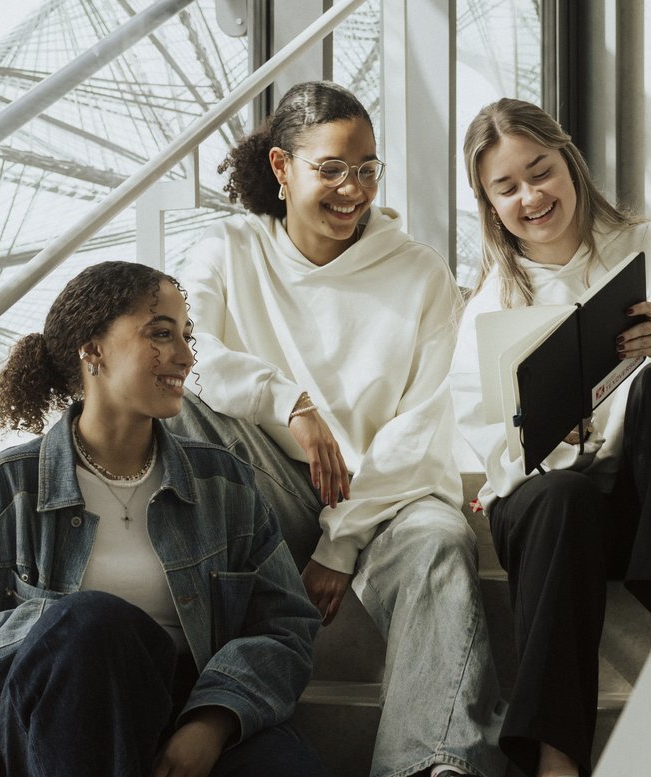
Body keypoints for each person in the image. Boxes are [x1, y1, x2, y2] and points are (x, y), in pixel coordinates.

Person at [163, 80, 501, 777]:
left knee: (442, 540)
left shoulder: (420, 274)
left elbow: (417, 429)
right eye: (333, 169)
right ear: (283, 168)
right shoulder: (227, 252)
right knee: (184, 414)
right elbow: (185, 357)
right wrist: (288, 400)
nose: (354, 189)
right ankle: (178, 692)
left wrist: (341, 541)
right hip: (265, 490)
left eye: (368, 169)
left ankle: (433, 764)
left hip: (383, 502)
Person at [0, 261, 328, 777]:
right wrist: (48, 626)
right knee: (92, 622)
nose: (185, 356)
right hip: (54, 730)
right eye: (161, 334)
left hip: (190, 710)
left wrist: (210, 722)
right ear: (93, 349)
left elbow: (286, 626)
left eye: (187, 337)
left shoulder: (222, 485)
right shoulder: (0, 494)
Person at [451, 98, 651, 777]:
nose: (531, 196)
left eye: (541, 171)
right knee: (560, 495)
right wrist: (550, 436)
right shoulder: (489, 305)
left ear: (569, 161)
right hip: (556, 514)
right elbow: (493, 453)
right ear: (488, 202)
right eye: (507, 187)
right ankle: (555, 759)